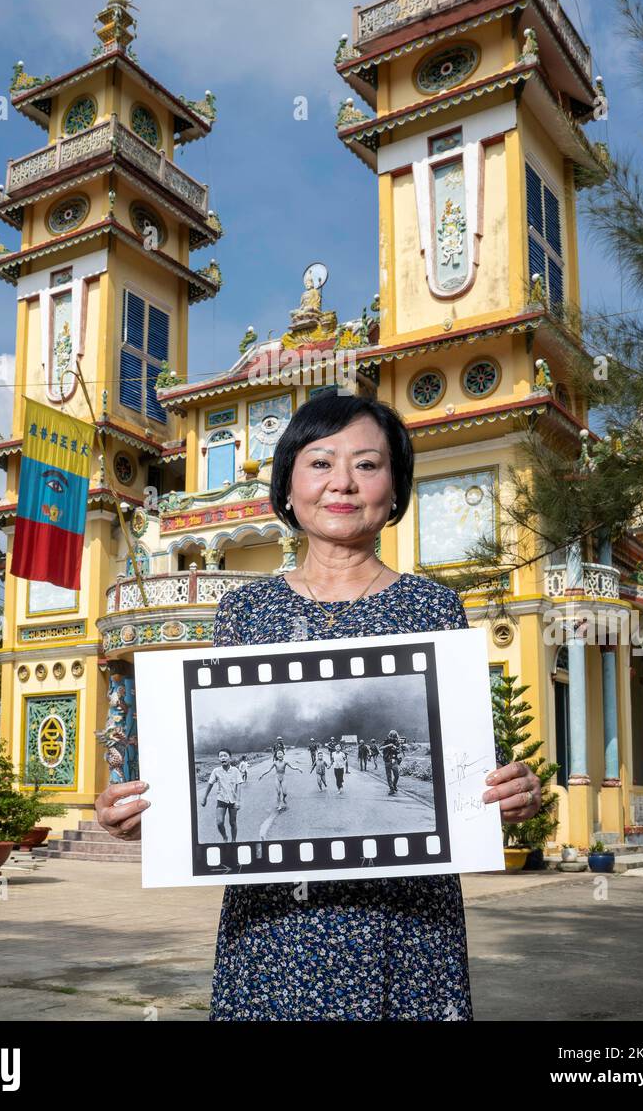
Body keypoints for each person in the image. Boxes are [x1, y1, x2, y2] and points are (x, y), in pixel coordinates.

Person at [94, 393, 541, 1022]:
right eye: (320, 462)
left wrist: (513, 793)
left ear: (395, 487)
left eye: (367, 465)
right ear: (288, 485)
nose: (343, 484)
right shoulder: (245, 614)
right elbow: (186, 765)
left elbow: (468, 774)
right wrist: (149, 813)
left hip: (408, 923)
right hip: (274, 928)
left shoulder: (433, 609)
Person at [200, 750, 243, 841]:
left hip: (233, 800)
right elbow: (210, 784)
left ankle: (234, 840)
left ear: (230, 758)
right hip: (221, 799)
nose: (223, 757)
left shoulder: (235, 771)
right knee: (219, 822)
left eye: (225, 755)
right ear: (219, 759)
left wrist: (238, 801)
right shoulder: (216, 771)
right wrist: (204, 798)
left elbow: (239, 785)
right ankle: (225, 837)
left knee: (233, 822)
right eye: (220, 756)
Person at [380, 730, 403, 796]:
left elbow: (399, 750)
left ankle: (394, 785)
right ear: (390, 736)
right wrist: (388, 745)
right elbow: (380, 747)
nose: (393, 738)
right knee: (389, 775)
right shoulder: (386, 741)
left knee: (397, 775)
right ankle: (391, 788)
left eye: (394, 737)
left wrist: (397, 749)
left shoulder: (397, 742)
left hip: (394, 760)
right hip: (387, 760)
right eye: (392, 736)